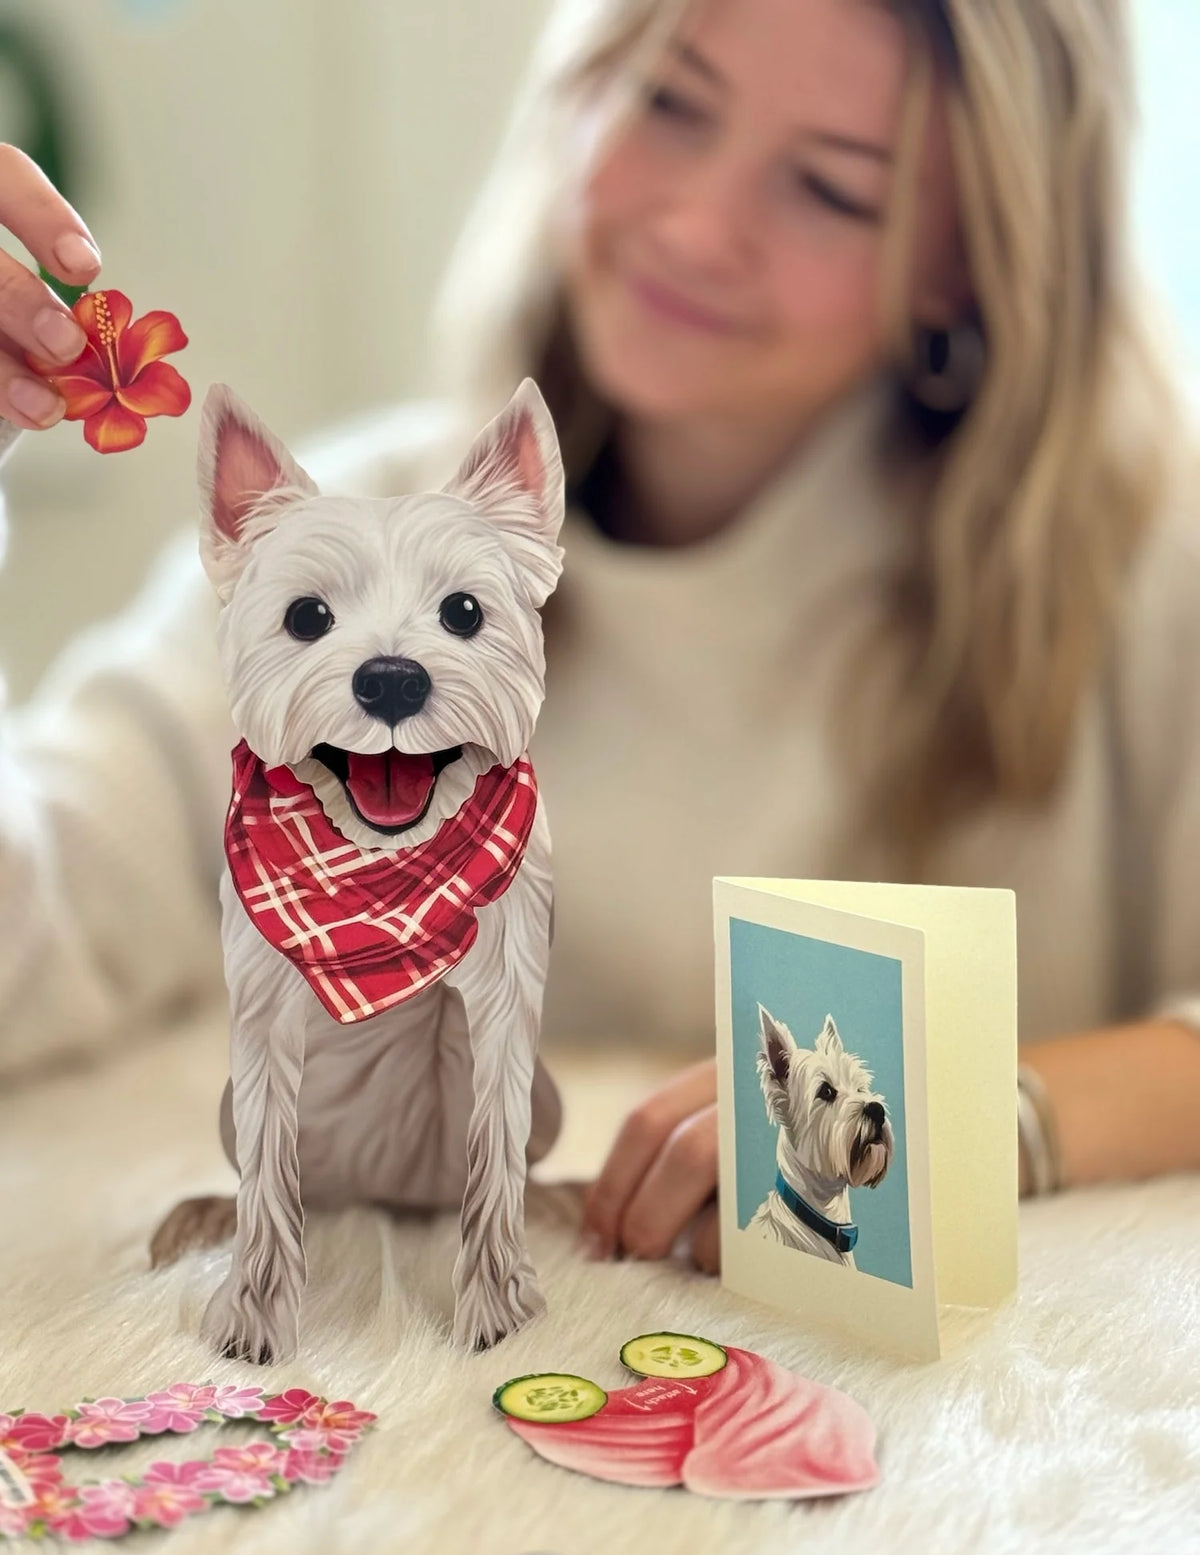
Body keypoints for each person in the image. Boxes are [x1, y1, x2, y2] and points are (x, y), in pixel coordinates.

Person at [0, 0, 1198, 1279]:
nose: (694, 226)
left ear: (968, 258)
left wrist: (988, 1109)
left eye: (832, 191)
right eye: (670, 103)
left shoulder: (1148, 574)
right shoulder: (343, 547)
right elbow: (43, 925)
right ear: (576, 88)